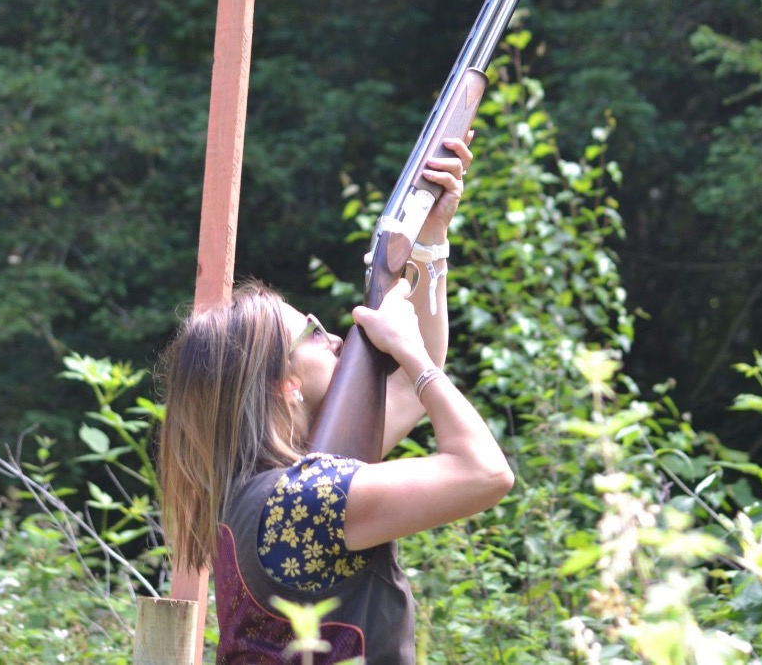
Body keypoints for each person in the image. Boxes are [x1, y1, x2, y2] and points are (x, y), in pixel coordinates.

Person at [158, 137, 514, 664]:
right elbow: (486, 473)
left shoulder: (266, 494)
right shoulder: (302, 498)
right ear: (284, 385)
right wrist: (410, 352)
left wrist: (429, 244)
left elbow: (409, 392)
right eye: (314, 332)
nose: (336, 340)